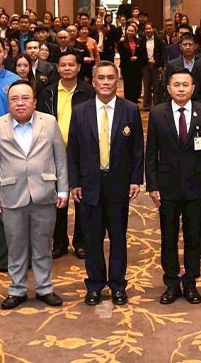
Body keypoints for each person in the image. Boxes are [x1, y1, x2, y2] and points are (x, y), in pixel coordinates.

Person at [0, 80, 68, 310]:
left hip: (45, 193)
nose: (20, 103)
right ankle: (17, 289)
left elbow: (60, 158)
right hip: (11, 195)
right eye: (14, 99)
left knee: (43, 245)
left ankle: (44, 288)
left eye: (25, 98)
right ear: (8, 102)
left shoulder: (49, 123)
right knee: (16, 247)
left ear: (34, 101)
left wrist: (63, 189)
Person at [67, 61, 144, 306]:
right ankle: (95, 285)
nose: (106, 82)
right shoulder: (80, 110)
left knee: (118, 238)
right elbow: (73, 150)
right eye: (101, 78)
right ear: (93, 81)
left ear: (117, 80)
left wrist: (135, 179)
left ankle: (118, 286)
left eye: (111, 78)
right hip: (89, 184)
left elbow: (137, 149)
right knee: (92, 239)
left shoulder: (129, 109)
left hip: (119, 183)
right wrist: (74, 182)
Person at [145, 69, 201, 304]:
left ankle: (191, 283)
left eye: (185, 84)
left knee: (193, 236)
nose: (181, 89)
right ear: (168, 88)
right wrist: (152, 185)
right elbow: (151, 152)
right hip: (167, 187)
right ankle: (172, 283)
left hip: (197, 186)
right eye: (176, 84)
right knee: (169, 237)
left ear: (193, 88)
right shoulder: (158, 113)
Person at [37, 51, 95, 260]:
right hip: (53, 152)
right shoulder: (48, 92)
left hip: (81, 152)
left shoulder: (88, 91)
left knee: (81, 198)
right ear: (58, 68)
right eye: (63, 65)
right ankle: (59, 242)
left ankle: (81, 242)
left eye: (71, 65)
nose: (67, 68)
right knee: (57, 199)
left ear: (79, 67)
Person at [117, 22, 147, 104]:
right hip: (127, 66)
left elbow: (142, 53)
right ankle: (128, 101)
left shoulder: (139, 41)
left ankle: (135, 100)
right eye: (129, 30)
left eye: (132, 31)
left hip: (137, 66)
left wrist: (137, 58)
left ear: (135, 32)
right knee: (128, 84)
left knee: (136, 84)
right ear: (126, 31)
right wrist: (129, 58)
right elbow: (121, 53)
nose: (130, 32)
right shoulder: (122, 42)